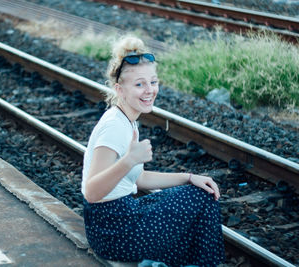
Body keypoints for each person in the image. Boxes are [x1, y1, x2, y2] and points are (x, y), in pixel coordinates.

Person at [81, 35, 225, 266]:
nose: (150, 90)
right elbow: (91, 191)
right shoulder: (114, 127)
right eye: (139, 84)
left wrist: (189, 178)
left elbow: (139, 178)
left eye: (153, 82)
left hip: (115, 223)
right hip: (115, 231)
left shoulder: (126, 119)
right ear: (120, 89)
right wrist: (128, 160)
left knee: (191, 191)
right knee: (203, 198)